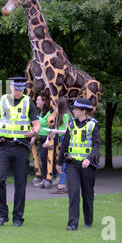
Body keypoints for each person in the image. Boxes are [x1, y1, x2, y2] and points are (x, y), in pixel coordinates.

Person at [0, 77, 41, 227]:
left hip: (21, 146)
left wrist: (33, 132)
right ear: (10, 87)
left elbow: (37, 124)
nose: (18, 92)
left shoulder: (28, 102)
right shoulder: (2, 101)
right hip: (3, 146)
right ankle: (2, 215)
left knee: (20, 183)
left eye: (21, 90)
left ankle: (17, 217)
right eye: (16, 89)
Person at [57, 98, 101, 231]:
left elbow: (97, 145)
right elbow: (65, 145)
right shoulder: (71, 124)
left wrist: (89, 158)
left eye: (76, 109)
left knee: (87, 194)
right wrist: (59, 162)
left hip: (88, 165)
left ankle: (88, 221)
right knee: (74, 192)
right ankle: (72, 224)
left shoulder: (93, 125)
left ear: (83, 111)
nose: (73, 111)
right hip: (72, 165)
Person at [49, 97, 72, 194]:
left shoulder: (66, 116)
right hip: (62, 140)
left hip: (65, 140)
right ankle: (62, 185)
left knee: (63, 163)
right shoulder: (61, 115)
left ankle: (61, 186)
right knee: (63, 163)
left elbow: (68, 131)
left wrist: (56, 131)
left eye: (57, 106)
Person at [31, 93, 51, 188]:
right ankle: (44, 178)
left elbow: (50, 126)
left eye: (38, 100)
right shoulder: (40, 112)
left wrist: (48, 139)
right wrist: (34, 136)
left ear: (43, 102)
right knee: (43, 159)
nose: (36, 101)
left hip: (48, 138)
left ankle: (50, 177)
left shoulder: (48, 113)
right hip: (41, 138)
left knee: (46, 159)